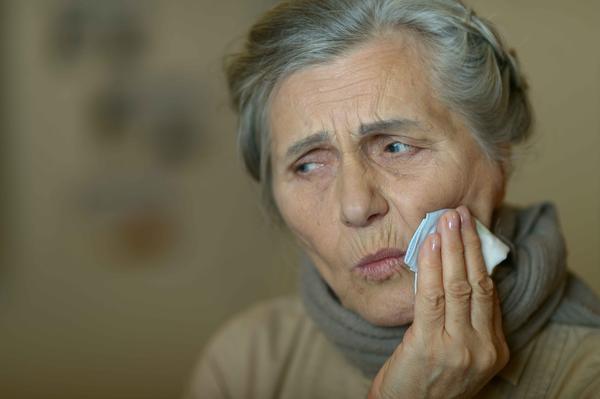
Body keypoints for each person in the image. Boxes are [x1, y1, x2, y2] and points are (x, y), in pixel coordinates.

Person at [186, 0, 600, 397]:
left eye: (395, 147)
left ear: (498, 155)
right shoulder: (249, 363)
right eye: (308, 165)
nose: (355, 206)